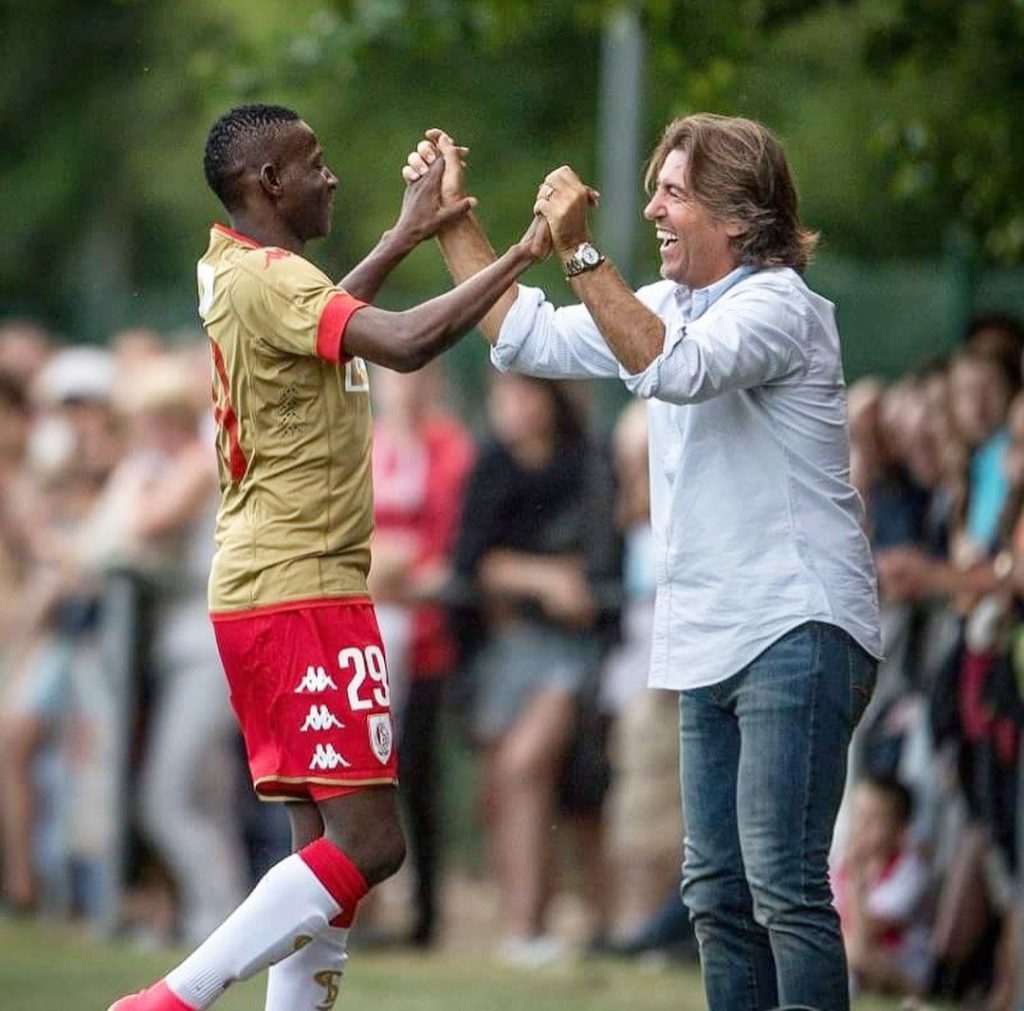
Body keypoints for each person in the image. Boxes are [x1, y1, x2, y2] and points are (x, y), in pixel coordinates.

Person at [403, 113, 881, 1011]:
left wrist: (580, 252)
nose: (653, 209)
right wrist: (450, 220)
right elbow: (525, 337)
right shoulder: (667, 304)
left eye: (673, 193)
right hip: (710, 634)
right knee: (717, 895)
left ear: (736, 215)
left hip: (797, 623)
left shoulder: (780, 305)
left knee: (782, 884)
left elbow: (675, 369)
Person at [108, 102, 550, 1011]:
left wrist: (404, 234)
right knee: (371, 844)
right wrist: (527, 250)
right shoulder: (271, 278)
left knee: (324, 854)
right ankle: (169, 1001)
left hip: (274, 589)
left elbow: (329, 314)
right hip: (300, 591)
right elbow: (406, 342)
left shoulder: (243, 270)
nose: (331, 175)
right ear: (269, 182)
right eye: (313, 162)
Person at [833, 775, 931, 998]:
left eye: (874, 819)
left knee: (852, 952)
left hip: (900, 969)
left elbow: (866, 935)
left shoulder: (910, 871)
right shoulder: (838, 863)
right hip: (852, 952)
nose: (862, 826)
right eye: (859, 815)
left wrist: (855, 882)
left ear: (900, 829)